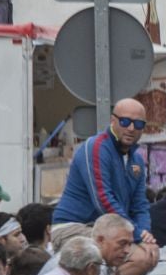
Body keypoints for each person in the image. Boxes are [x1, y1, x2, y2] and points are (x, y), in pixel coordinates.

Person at [52, 98, 154, 240]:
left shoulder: (137, 160)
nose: (131, 128)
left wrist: (145, 234)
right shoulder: (97, 147)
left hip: (109, 229)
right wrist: (135, 235)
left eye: (138, 124)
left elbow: (140, 205)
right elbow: (103, 200)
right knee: (127, 252)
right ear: (113, 121)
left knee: (148, 253)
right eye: (125, 121)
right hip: (73, 227)